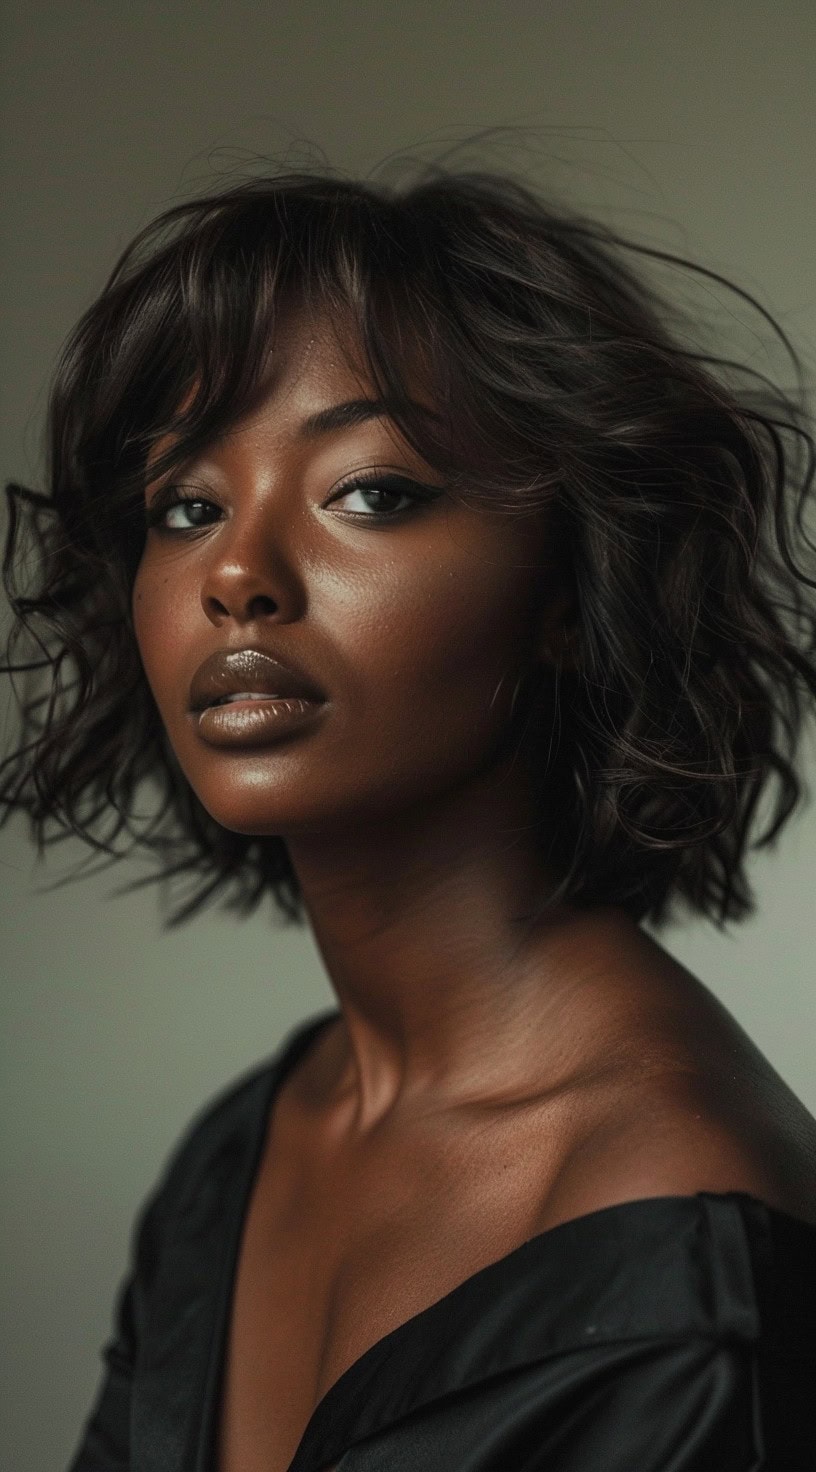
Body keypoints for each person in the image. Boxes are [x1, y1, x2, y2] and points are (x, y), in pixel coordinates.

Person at [3, 158, 816, 1472]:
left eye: (370, 492)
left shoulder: (679, 1258)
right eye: (187, 506)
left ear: (568, 582)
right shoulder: (247, 1150)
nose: (240, 577)